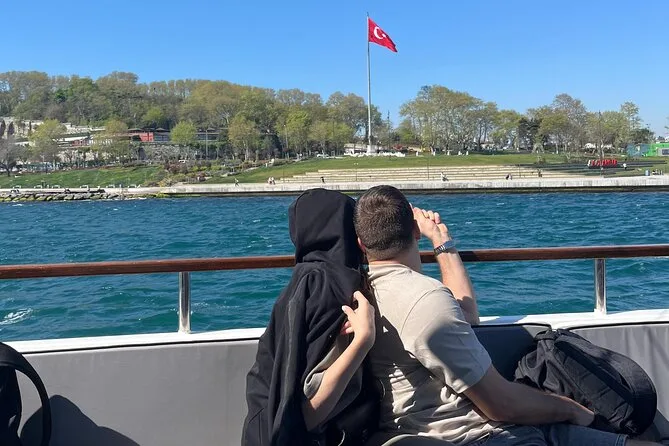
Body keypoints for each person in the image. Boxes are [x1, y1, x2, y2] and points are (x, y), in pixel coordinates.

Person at [354, 185, 659, 446]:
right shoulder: (425, 299)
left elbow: (466, 315)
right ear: (414, 231)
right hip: (477, 435)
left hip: (427, 431)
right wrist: (573, 410)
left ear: (361, 244)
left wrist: (442, 243)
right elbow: (501, 405)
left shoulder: (365, 293)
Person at [242, 189, 376, 446]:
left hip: (262, 426)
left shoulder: (307, 278)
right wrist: (363, 341)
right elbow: (309, 408)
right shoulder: (330, 286)